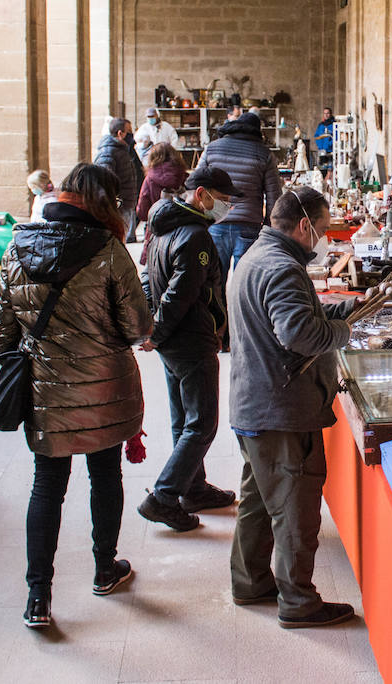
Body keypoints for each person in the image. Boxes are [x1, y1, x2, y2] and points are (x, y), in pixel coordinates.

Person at [0, 163, 152, 629]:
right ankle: (105, 570)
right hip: (104, 387)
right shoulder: (108, 250)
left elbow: (2, 330)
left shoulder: (16, 247)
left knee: (47, 486)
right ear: (103, 202)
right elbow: (137, 327)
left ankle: (38, 597)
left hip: (46, 392)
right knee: (105, 476)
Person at [227, 187, 356, 629]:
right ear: (304, 226)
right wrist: (341, 333)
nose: (321, 240)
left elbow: (289, 317)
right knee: (295, 509)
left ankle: (250, 581)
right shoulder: (283, 267)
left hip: (252, 404)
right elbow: (297, 334)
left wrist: (342, 311)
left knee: (259, 502)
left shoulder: (257, 255)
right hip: (280, 409)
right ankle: (298, 602)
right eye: (321, 231)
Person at [136, 166, 242, 533]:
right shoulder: (196, 236)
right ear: (201, 195)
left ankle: (193, 488)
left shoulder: (161, 228)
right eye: (223, 199)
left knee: (184, 420)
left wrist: (153, 329)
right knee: (202, 425)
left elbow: (148, 278)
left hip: (172, 343)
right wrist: (158, 330)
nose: (226, 207)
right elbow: (182, 293)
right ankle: (163, 498)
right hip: (191, 339)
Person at [197, 111, 282, 274]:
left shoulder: (212, 149)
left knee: (214, 279)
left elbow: (196, 184)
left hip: (215, 221)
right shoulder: (264, 154)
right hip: (248, 224)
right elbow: (274, 196)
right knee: (244, 281)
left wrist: (201, 216)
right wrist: (268, 226)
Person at [94, 117, 140, 241]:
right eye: (129, 131)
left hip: (125, 205)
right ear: (120, 133)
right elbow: (104, 182)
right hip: (117, 208)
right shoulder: (108, 152)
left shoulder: (121, 149)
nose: (132, 135)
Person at [135, 141, 188, 224]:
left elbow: (142, 212)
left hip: (157, 226)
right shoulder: (184, 176)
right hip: (182, 225)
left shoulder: (149, 179)